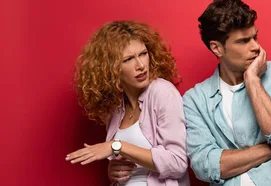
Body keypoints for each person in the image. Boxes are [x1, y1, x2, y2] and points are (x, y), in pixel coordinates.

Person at [184, 0, 271, 185]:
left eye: (255, 37)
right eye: (243, 41)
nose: (255, 47)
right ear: (217, 48)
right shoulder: (195, 100)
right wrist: (269, 151)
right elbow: (205, 166)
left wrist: (252, 80)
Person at [66, 20, 190, 186]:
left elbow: (177, 163)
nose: (140, 65)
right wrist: (114, 172)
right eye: (128, 59)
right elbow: (129, 167)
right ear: (111, 68)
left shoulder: (162, 92)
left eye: (143, 54)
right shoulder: (116, 108)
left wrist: (117, 146)